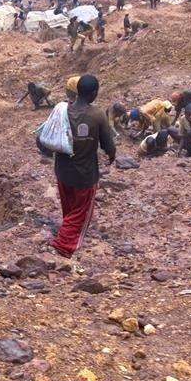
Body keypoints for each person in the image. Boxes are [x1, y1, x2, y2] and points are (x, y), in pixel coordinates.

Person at [41, 74, 116, 259]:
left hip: (62, 171)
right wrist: (112, 155)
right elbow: (108, 143)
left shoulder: (62, 110)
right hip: (85, 174)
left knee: (70, 209)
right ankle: (63, 246)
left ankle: (66, 238)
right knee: (80, 213)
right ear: (94, 93)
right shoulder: (97, 114)